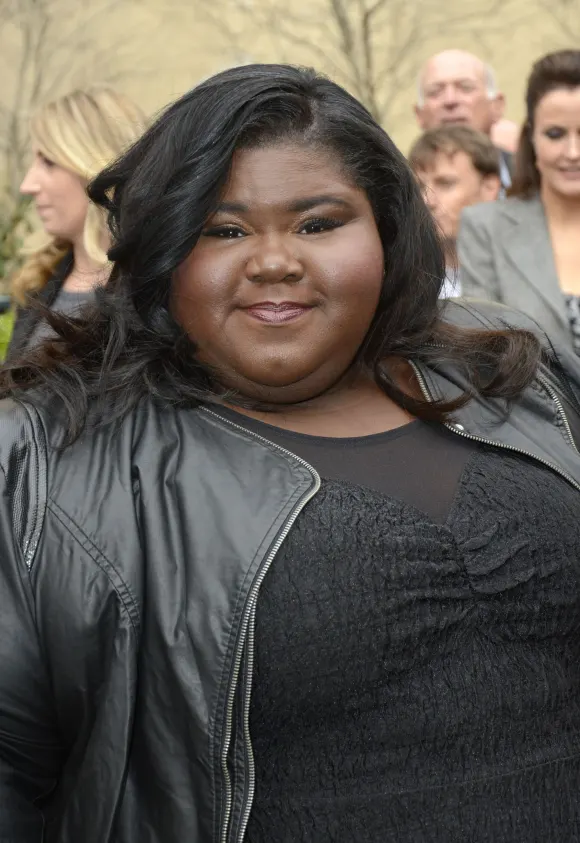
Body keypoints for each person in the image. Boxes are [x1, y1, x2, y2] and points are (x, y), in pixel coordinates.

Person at [1, 63, 580, 843]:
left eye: (318, 222)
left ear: (385, 229)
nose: (275, 259)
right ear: (166, 247)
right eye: (225, 229)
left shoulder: (515, 376)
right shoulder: (53, 463)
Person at [5, 87, 146, 361]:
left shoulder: (154, 295)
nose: (28, 184)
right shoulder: (40, 280)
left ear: (98, 167)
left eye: (48, 161)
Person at [459, 50, 580, 354]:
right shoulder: (486, 229)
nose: (572, 152)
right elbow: (483, 354)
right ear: (532, 139)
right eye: (555, 134)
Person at [409, 125, 501, 297]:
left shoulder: (522, 271)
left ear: (490, 187)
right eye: (419, 187)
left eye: (445, 183)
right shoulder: (402, 283)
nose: (427, 200)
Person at [415, 49, 513, 190]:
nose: (450, 100)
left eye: (466, 88)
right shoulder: (398, 189)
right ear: (419, 114)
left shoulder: (536, 178)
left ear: (497, 106)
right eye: (435, 91)